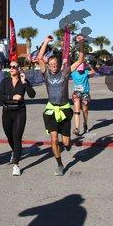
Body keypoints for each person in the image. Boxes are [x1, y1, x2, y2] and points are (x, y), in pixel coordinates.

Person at [37, 34, 85, 176]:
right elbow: (39, 58)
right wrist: (46, 42)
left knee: (66, 143)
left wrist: (81, 44)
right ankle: (59, 164)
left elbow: (80, 60)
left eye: (55, 64)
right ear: (48, 65)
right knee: (53, 139)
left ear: (59, 64)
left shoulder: (65, 73)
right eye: (51, 64)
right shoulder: (46, 74)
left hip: (64, 110)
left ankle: (68, 144)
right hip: (51, 110)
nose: (53, 66)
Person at [0, 60, 36, 176]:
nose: (12, 68)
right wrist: (12, 97)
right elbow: (0, 96)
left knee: (17, 137)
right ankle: (14, 151)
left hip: (20, 112)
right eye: (10, 66)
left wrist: (24, 82)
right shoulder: (5, 81)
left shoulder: (23, 81)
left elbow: (32, 95)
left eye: (14, 67)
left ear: (19, 69)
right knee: (9, 136)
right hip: (7, 112)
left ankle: (16, 165)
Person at [71, 61, 96, 135]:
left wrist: (89, 65)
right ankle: (77, 128)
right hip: (77, 93)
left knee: (85, 110)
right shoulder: (73, 73)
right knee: (76, 110)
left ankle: (85, 124)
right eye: (79, 70)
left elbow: (93, 72)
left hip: (85, 93)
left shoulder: (86, 72)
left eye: (81, 69)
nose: (80, 71)